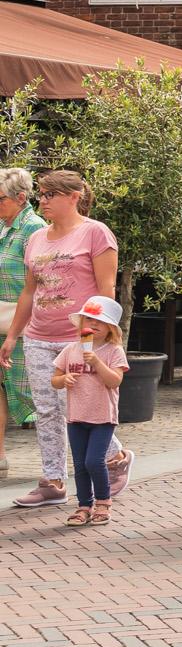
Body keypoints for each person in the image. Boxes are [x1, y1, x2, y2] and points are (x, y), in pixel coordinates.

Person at [7, 170, 119, 511]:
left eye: (50, 194)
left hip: (79, 337)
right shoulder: (37, 238)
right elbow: (29, 291)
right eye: (42, 194)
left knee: (76, 408)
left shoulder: (95, 233)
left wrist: (99, 339)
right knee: (46, 410)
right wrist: (13, 335)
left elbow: (107, 290)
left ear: (73, 196)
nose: (43, 200)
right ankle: (53, 481)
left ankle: (114, 455)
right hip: (39, 337)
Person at [52, 294, 127, 529]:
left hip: (103, 417)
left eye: (100, 322)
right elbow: (54, 380)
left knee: (94, 461)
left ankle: (103, 502)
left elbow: (114, 381)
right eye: (89, 320)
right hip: (76, 417)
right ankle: (84, 506)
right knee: (80, 464)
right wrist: (64, 379)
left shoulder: (113, 351)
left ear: (110, 329)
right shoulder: (70, 350)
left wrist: (96, 362)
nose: (93, 325)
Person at [0, 168, 42, 481]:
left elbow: (39, 285)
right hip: (2, 322)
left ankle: (106, 453)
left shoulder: (34, 229)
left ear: (20, 198)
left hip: (25, 326)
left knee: (39, 395)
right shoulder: (5, 226)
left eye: (0, 199)